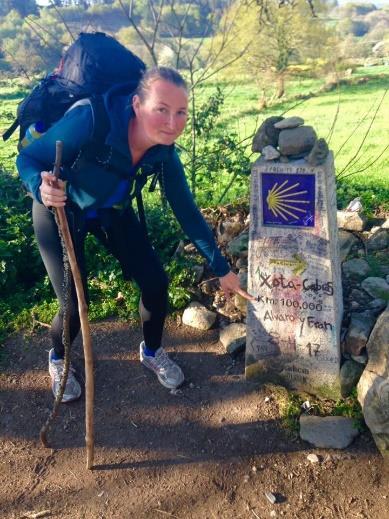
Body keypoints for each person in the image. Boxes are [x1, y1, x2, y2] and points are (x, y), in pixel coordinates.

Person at [16, 67, 253, 402]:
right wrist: (40, 187)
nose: (173, 122)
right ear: (137, 104)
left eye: (181, 112)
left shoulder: (164, 153)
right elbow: (28, 158)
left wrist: (222, 269)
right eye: (162, 109)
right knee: (71, 304)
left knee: (156, 282)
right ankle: (58, 358)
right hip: (59, 209)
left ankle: (152, 351)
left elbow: (186, 212)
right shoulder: (92, 119)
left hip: (111, 211)